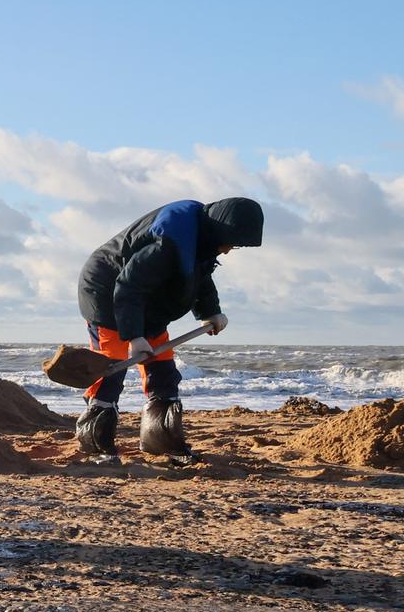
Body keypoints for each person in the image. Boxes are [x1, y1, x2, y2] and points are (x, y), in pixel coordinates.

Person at [74, 197, 264, 464]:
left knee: (162, 369)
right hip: (107, 292)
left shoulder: (201, 240)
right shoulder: (167, 242)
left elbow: (200, 274)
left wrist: (210, 311)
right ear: (220, 230)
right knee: (111, 368)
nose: (230, 250)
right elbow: (129, 286)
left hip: (147, 302)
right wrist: (134, 336)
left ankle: (160, 441)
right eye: (231, 242)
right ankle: (95, 445)